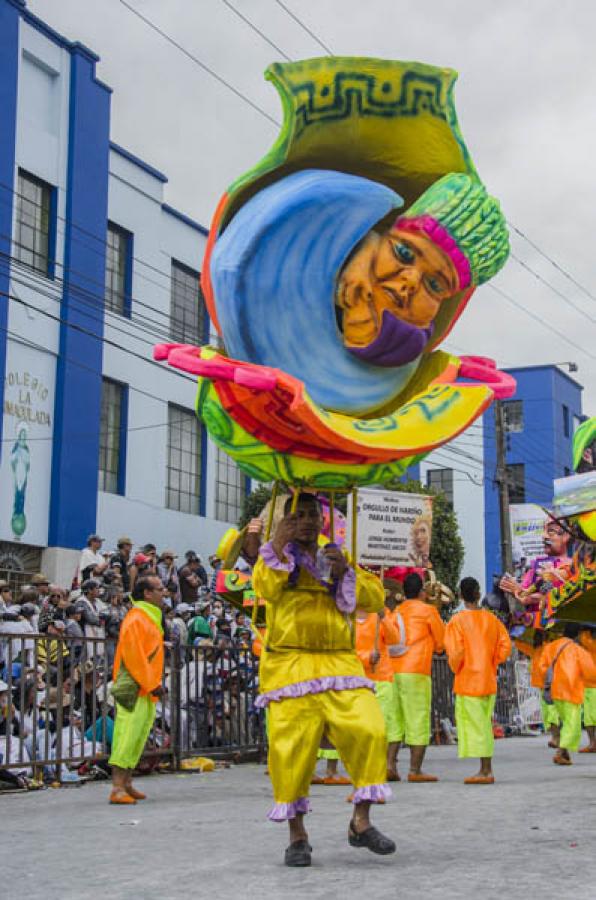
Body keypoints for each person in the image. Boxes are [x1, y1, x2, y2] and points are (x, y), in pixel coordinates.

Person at [253, 492, 395, 868]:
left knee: (370, 729)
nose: (308, 521)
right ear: (285, 521)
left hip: (339, 662)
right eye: (298, 515)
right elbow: (264, 589)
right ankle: (297, 836)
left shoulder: (335, 553)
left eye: (313, 514)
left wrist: (345, 571)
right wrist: (278, 542)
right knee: (291, 750)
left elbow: (374, 598)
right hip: (289, 664)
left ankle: (360, 823)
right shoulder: (274, 553)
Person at [444, 577, 511, 783]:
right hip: (488, 678)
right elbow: (505, 647)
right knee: (484, 723)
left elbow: (456, 653)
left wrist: (457, 668)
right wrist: (492, 662)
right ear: (478, 594)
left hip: (468, 679)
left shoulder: (457, 621)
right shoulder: (492, 620)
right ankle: (485, 768)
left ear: (461, 595)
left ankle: (486, 770)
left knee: (478, 725)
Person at [108, 574, 166, 804]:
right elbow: (134, 657)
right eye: (159, 589)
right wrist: (152, 684)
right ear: (147, 594)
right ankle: (117, 788)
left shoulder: (148, 618)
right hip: (136, 688)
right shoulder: (136, 618)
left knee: (138, 737)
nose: (164, 592)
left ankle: (127, 783)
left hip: (146, 689)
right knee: (127, 736)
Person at [389, 572, 445, 782]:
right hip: (416, 669)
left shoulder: (396, 611)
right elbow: (441, 644)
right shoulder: (428, 611)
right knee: (418, 718)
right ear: (421, 591)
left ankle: (390, 765)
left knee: (394, 719)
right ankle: (415, 769)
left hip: (392, 671)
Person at [535, 623, 596, 765]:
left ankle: (564, 752)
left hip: (555, 690)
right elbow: (591, 673)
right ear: (577, 634)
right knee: (572, 724)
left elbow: (542, 667)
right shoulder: (578, 650)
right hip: (571, 690)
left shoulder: (551, 647)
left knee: (565, 721)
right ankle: (561, 752)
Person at [355, 606, 401, 781]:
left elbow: (394, 639)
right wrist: (366, 657)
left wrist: (384, 618)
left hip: (382, 677)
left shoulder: (381, 615)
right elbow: (343, 651)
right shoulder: (345, 617)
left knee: (388, 722)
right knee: (364, 726)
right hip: (357, 679)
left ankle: (389, 764)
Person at [515, 631, 561, 748]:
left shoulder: (548, 647)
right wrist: (514, 637)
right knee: (547, 713)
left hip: (550, 684)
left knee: (551, 713)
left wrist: (546, 636)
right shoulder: (536, 650)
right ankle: (556, 737)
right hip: (542, 686)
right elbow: (522, 646)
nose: (535, 637)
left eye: (538, 635)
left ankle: (556, 738)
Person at [578, 626, 596, 753]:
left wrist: (582, 631)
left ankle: (592, 744)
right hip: (588, 685)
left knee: (590, 718)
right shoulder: (587, 645)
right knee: (589, 717)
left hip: (590, 686)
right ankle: (592, 744)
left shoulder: (588, 643)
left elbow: (583, 639)